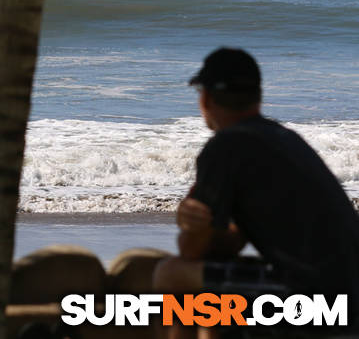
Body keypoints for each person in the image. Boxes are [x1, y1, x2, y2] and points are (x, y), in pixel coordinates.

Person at [154, 47, 359, 336]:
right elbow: (232, 244)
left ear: (206, 98)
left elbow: (191, 251)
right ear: (258, 96)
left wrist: (189, 220)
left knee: (172, 274)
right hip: (348, 295)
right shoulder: (284, 138)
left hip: (314, 300)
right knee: (214, 298)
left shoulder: (225, 146)